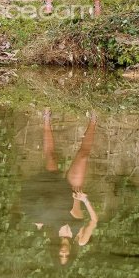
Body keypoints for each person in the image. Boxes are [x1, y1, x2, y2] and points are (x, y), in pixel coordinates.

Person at [21, 110, 98, 265]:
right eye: (66, 257)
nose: (63, 254)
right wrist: (85, 200)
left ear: (55, 253)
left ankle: (46, 117)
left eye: (60, 256)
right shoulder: (80, 240)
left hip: (56, 188)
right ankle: (94, 119)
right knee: (83, 155)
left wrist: (38, 221)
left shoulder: (51, 233)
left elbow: (41, 215)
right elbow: (94, 221)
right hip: (74, 190)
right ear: (71, 255)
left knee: (51, 156)